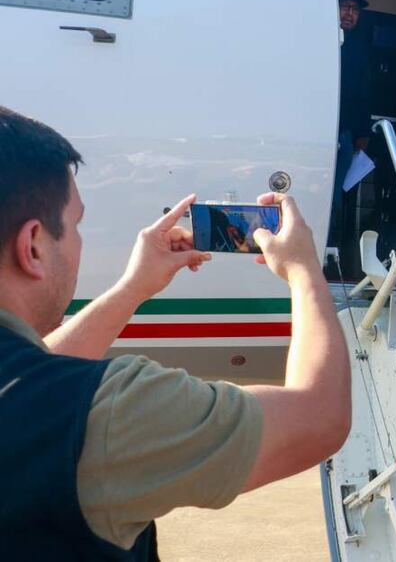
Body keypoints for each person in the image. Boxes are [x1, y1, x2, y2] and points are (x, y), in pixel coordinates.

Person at [0, 106, 351, 558]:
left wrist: (133, 288)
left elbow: (33, 375)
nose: (80, 241)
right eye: (76, 225)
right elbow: (317, 419)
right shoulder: (108, 413)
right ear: (32, 247)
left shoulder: (36, 396)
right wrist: (304, 269)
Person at [329, 0, 372, 277]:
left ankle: (332, 254)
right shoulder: (320, 40)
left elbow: (363, 94)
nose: (349, 13)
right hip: (317, 130)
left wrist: (361, 133)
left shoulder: (359, 48)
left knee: (336, 197)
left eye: (354, 9)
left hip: (344, 133)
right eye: (344, 6)